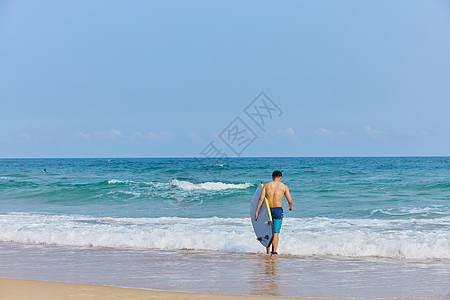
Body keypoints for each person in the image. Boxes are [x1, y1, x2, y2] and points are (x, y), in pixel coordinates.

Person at [255, 170, 293, 257]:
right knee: (276, 233)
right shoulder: (284, 187)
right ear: (280, 177)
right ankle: (274, 252)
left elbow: (261, 200)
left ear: (272, 177)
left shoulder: (266, 186)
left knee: (267, 232)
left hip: (267, 211)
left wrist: (257, 211)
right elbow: (290, 200)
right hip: (278, 211)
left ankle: (268, 252)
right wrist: (291, 206)